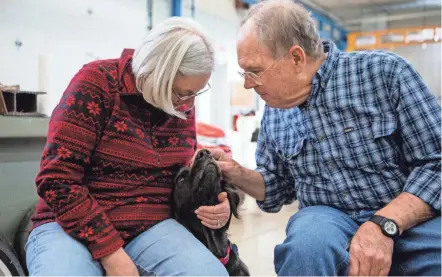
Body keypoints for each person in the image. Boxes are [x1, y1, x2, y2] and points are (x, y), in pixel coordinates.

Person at [209, 0, 441, 276]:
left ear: (297, 58)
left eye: (255, 71)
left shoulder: (385, 74)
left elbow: (436, 163)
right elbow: (277, 187)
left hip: (406, 215)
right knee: (305, 252)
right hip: (326, 217)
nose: (247, 83)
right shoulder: (275, 109)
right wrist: (236, 173)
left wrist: (384, 225)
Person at [26, 17, 231, 276]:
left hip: (149, 226)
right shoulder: (96, 84)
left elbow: (177, 179)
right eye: (181, 93)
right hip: (69, 226)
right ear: (155, 72)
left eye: (195, 94)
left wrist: (215, 206)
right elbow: (57, 180)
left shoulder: (179, 103)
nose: (187, 106)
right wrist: (111, 252)